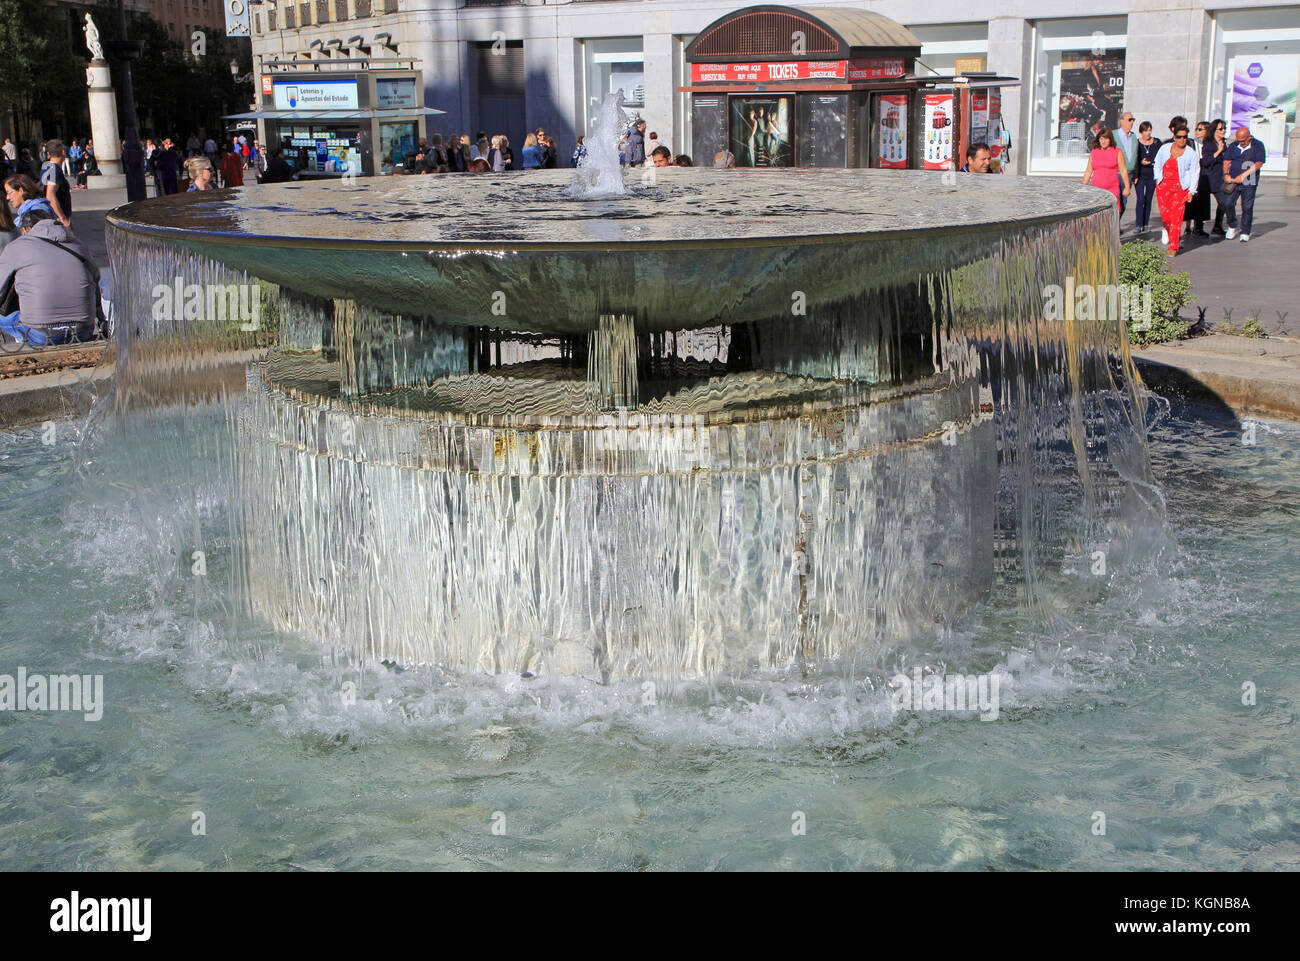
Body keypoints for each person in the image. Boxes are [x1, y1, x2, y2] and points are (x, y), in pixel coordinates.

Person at [0, 207, 101, 347]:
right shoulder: (80, 246)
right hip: (83, 331)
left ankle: (22, 339)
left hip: (41, 334)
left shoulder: (17, 246)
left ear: (25, 230)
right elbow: (96, 283)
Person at [1153, 124, 1198, 255]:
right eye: (1179, 137)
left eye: (1185, 137)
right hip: (1164, 187)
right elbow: (1158, 164)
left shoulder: (1191, 153)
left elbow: (1195, 173)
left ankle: (1173, 246)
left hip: (1180, 188)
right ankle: (1170, 234)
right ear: (1174, 137)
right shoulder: (1164, 148)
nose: (1182, 140)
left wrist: (1191, 191)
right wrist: (1158, 180)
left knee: (1176, 217)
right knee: (1166, 217)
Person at [1219, 124, 1265, 242]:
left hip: (1250, 179)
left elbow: (1259, 163)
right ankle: (1232, 224)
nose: (1240, 143)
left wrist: (1243, 176)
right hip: (1233, 178)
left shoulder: (1258, 145)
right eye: (1238, 140)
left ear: (1249, 138)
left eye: (1243, 141)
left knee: (1247, 206)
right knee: (1227, 203)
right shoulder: (1234, 145)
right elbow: (1226, 161)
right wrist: (1226, 174)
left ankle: (1245, 231)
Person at [1081, 126, 1131, 214]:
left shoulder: (1117, 152)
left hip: (1112, 190)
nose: (1103, 141)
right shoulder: (1094, 152)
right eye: (1101, 139)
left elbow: (1123, 170)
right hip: (1096, 191)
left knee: (1111, 215)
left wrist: (1127, 187)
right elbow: (1088, 171)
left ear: (1110, 139)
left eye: (1106, 139)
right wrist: (1083, 187)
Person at [39, 140, 72, 229]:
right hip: (56, 219)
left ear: (48, 154)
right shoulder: (54, 170)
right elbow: (50, 195)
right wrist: (63, 218)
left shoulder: (46, 166)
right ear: (63, 152)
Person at [1203, 119, 1228, 235]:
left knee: (1224, 202)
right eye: (1220, 129)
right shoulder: (1208, 143)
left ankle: (1217, 226)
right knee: (1203, 203)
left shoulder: (1224, 143)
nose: (1223, 131)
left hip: (1221, 178)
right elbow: (1206, 161)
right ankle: (1197, 228)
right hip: (1210, 177)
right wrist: (1218, 151)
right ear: (1214, 130)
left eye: (1224, 128)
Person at [1113, 111, 1138, 223]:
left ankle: (1116, 224)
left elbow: (1136, 156)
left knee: (1124, 202)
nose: (1131, 122)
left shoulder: (1133, 137)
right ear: (1121, 121)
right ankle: (1113, 226)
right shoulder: (1114, 135)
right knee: (1115, 202)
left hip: (1128, 175)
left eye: (1133, 120)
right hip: (1115, 174)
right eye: (1129, 120)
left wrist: (1136, 174)